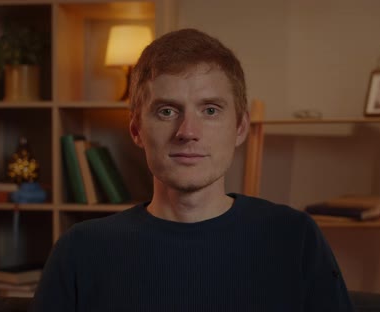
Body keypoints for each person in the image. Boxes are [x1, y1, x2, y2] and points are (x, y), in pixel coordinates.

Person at [31, 28, 354, 311]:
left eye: (210, 110)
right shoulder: (81, 251)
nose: (188, 131)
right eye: (167, 111)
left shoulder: (294, 238)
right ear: (136, 131)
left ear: (240, 128)